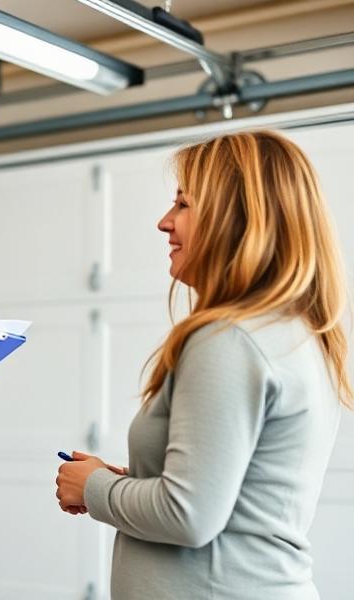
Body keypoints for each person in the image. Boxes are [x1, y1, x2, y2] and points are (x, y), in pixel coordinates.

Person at [55, 130, 350, 599]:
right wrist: (125, 484)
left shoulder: (230, 340)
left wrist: (93, 488)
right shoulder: (292, 333)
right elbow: (232, 500)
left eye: (183, 205)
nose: (164, 223)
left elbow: (188, 515)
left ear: (237, 218)